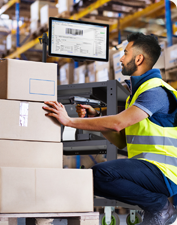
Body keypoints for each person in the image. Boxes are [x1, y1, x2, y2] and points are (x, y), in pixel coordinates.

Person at [43, 32, 177, 225]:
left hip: (164, 172)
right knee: (95, 178)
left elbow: (117, 123)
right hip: (150, 169)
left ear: (139, 59)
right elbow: (121, 140)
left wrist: (69, 121)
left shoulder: (155, 92)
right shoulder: (138, 94)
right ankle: (157, 208)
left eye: (125, 53)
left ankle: (159, 207)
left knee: (99, 175)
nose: (121, 59)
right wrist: (94, 118)